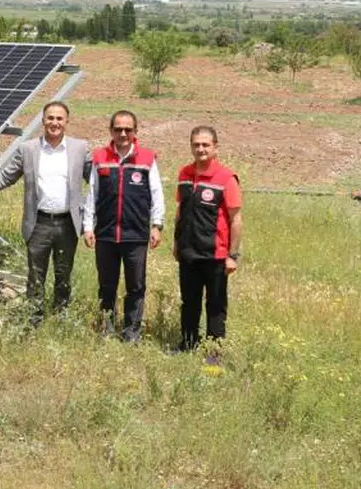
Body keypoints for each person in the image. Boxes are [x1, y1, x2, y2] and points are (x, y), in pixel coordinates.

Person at [0, 101, 90, 325]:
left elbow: (97, 179)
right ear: (43, 120)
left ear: (67, 121)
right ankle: (34, 321)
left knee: (63, 274)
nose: (54, 123)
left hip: (68, 223)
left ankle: (61, 319)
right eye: (50, 118)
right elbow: (5, 177)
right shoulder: (28, 149)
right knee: (35, 276)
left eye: (59, 118)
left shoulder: (80, 148)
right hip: (39, 223)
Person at [82, 110, 164, 342]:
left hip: (136, 235)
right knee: (106, 285)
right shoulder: (100, 157)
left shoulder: (147, 158)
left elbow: (156, 194)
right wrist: (88, 226)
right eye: (118, 129)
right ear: (111, 131)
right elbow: (92, 194)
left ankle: (131, 333)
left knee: (135, 287)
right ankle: (107, 330)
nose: (123, 133)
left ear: (135, 132)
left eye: (128, 129)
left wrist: (157, 225)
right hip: (106, 234)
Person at [172, 125, 243, 353]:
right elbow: (180, 211)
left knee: (216, 305)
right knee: (189, 302)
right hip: (188, 252)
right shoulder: (184, 174)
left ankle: (213, 353)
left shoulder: (226, 178)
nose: (200, 149)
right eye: (196, 144)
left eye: (205, 145)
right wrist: (176, 243)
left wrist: (232, 256)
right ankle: (188, 344)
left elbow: (236, 219)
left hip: (215, 255)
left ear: (215, 148)